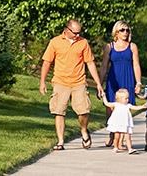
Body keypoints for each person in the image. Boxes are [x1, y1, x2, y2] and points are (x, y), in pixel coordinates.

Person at [39, 18, 105, 151]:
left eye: (79, 32)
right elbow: (47, 62)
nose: (77, 35)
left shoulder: (83, 43)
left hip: (78, 82)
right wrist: (42, 82)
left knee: (84, 111)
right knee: (59, 112)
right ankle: (61, 141)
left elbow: (90, 63)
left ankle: (84, 130)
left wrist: (98, 83)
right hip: (60, 81)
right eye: (75, 32)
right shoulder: (55, 42)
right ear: (67, 29)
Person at [99, 20, 142, 147]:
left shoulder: (132, 46)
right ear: (116, 32)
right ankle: (112, 135)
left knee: (125, 109)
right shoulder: (109, 47)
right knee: (110, 109)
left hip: (127, 79)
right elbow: (104, 66)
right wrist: (100, 84)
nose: (125, 32)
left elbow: (136, 65)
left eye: (127, 30)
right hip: (113, 79)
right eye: (122, 30)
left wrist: (138, 82)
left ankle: (121, 139)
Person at [102, 88, 147, 154]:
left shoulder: (128, 106)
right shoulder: (116, 104)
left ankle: (130, 149)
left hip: (125, 124)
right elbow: (107, 103)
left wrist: (142, 106)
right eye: (126, 98)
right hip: (117, 123)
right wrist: (104, 96)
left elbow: (135, 107)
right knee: (116, 137)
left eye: (128, 98)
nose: (128, 100)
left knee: (128, 137)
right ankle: (115, 147)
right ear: (119, 99)